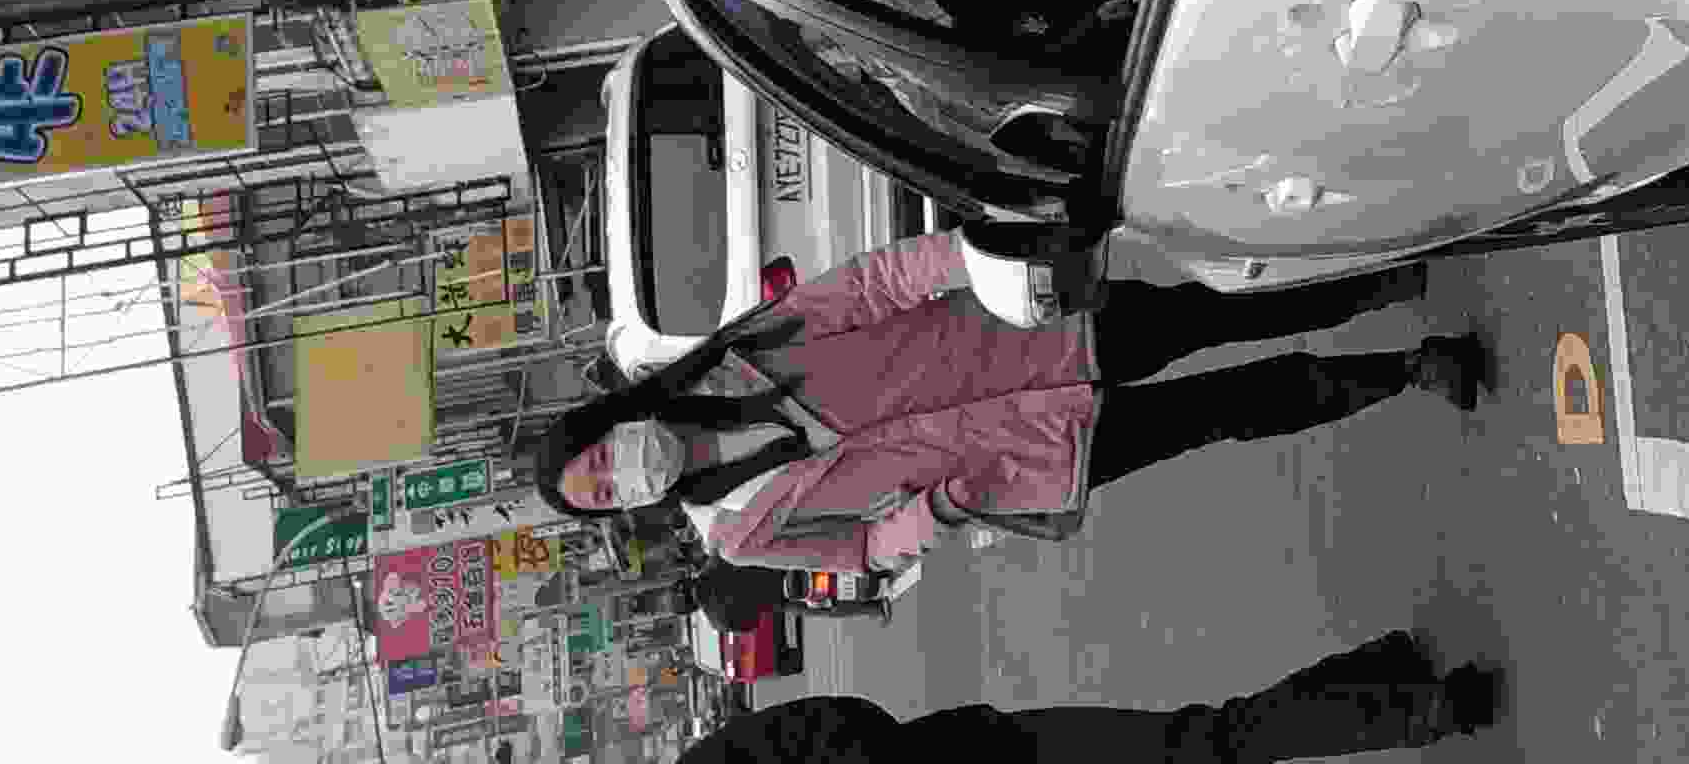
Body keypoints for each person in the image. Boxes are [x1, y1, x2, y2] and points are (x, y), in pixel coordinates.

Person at [524, 225, 1490, 580]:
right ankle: (1408, 370)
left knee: (1214, 313)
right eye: (605, 495)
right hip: (1024, 457)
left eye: (600, 459)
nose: (621, 477)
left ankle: (1377, 280)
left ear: (612, 423)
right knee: (1224, 414)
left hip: (1033, 336)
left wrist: (965, 260)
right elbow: (860, 551)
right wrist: (932, 516)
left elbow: (871, 288)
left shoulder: (741, 353)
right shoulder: (741, 532)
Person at [673, 638, 1499, 764]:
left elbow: (833, 720)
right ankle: (1387, 673)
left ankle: (1416, 708)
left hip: (1001, 757)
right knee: (1211, 745)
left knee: (1202, 745)